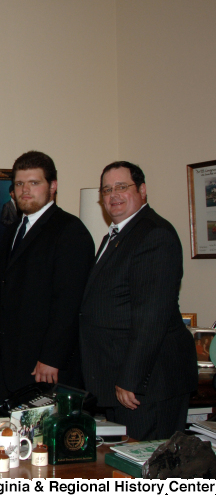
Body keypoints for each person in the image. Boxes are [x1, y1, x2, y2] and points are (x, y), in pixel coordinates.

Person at [79, 161, 197, 440]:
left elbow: (152, 316)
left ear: (142, 190)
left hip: (148, 383)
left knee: (149, 470)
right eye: (106, 190)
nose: (113, 195)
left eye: (122, 187)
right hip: (119, 377)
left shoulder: (154, 234)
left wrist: (130, 379)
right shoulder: (118, 234)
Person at [0, 151, 94, 404]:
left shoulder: (70, 231)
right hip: (10, 364)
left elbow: (70, 302)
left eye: (34, 183)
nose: (25, 190)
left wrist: (51, 358)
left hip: (45, 367)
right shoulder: (11, 231)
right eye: (20, 184)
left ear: (53, 186)